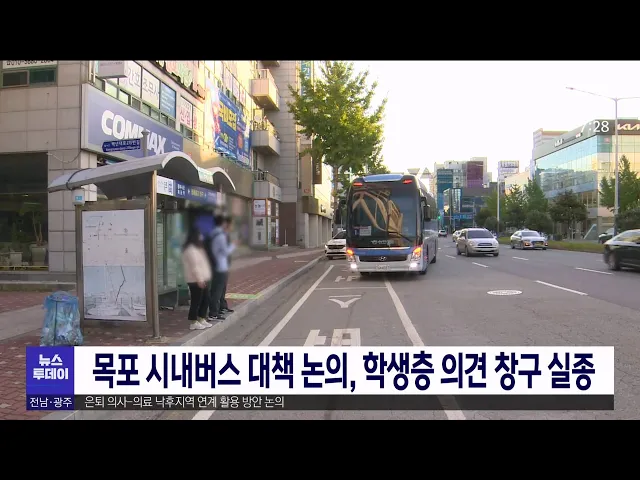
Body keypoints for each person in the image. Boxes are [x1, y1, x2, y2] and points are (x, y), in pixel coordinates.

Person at [181, 227, 213, 331]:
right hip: (195, 280)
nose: (201, 237)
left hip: (203, 277)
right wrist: (199, 279)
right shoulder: (190, 250)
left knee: (205, 299)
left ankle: (201, 318)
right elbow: (195, 266)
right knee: (196, 301)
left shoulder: (198, 248)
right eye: (199, 235)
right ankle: (193, 322)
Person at [207, 214, 235, 321]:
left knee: (217, 289)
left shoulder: (213, 234)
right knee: (217, 290)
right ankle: (214, 312)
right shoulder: (221, 235)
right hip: (220, 266)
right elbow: (225, 251)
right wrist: (234, 245)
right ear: (223, 223)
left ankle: (217, 309)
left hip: (215, 265)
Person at [219, 215, 234, 314]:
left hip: (225, 264)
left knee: (223, 287)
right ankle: (217, 309)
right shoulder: (222, 235)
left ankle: (222, 306)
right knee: (219, 288)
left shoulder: (226, 234)